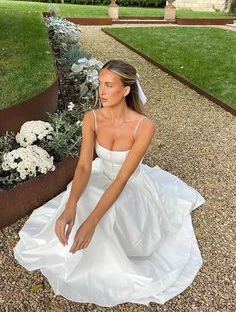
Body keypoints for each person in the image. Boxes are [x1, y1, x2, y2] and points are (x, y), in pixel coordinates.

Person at [14, 60, 205, 307]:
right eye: (99, 84)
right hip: (100, 172)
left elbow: (123, 178)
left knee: (106, 213)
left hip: (129, 185)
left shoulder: (144, 127)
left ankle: (98, 263)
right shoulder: (91, 118)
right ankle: (72, 249)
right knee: (80, 196)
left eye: (108, 85)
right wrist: (70, 206)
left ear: (126, 90)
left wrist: (91, 222)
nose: (101, 92)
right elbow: (84, 166)